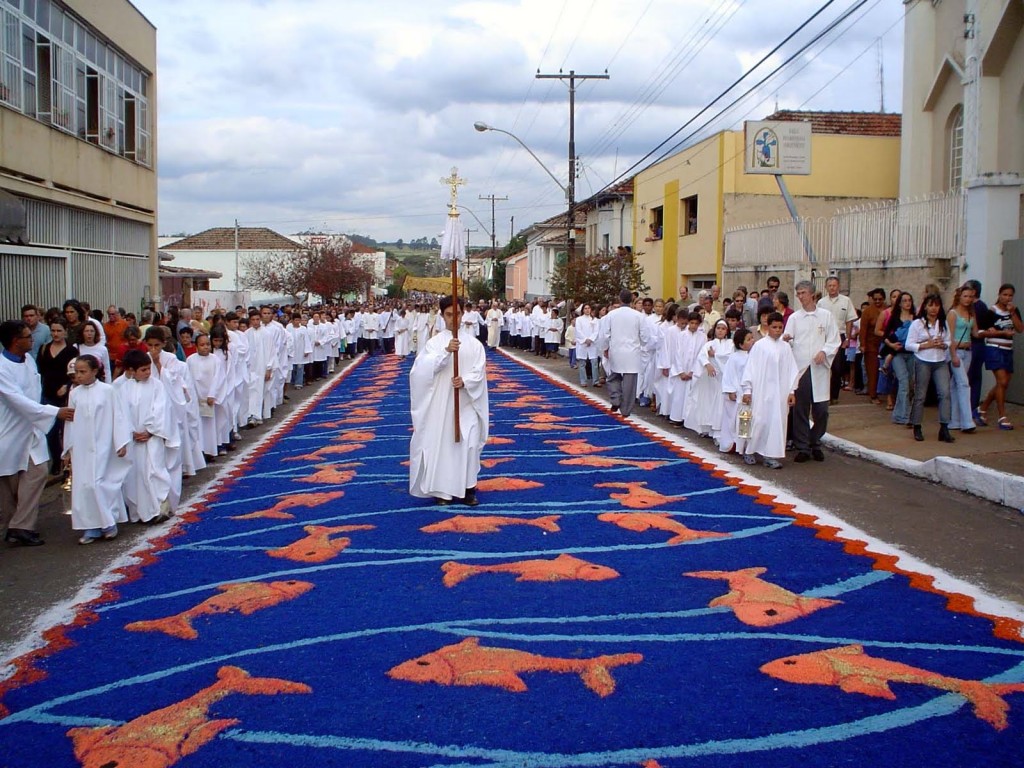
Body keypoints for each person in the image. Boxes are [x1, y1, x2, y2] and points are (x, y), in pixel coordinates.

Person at [408, 296, 489, 506]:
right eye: (449, 315)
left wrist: (466, 381)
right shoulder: (434, 344)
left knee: (468, 443)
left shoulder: (473, 344)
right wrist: (445, 354)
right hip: (442, 407)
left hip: (467, 403)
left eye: (458, 314)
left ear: (463, 314)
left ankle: (468, 488)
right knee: (444, 445)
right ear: (442, 316)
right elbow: (420, 372)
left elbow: (479, 371)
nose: (454, 319)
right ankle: (442, 490)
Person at [0, 321, 74, 545]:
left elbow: (35, 394)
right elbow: (18, 402)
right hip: (8, 431)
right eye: (27, 337)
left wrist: (47, 410)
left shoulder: (29, 360)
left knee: (37, 472)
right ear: (15, 341)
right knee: (8, 484)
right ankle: (14, 527)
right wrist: (55, 411)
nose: (32, 340)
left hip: (32, 429)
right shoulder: (2, 368)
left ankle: (20, 525)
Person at [62, 355, 130, 544]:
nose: (79, 375)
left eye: (83, 372)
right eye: (77, 372)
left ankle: (108, 523)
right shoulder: (74, 393)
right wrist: (68, 448)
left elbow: (119, 416)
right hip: (82, 447)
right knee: (84, 486)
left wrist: (121, 441)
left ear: (94, 371)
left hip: (104, 444)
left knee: (99, 483)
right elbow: (70, 421)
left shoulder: (108, 391)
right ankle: (90, 526)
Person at [783, 281, 840, 462]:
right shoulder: (794, 318)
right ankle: (803, 447)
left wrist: (825, 352)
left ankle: (815, 440)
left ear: (813, 294)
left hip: (819, 368)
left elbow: (834, 339)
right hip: (801, 368)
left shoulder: (826, 316)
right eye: (798, 293)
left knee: (821, 410)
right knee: (800, 408)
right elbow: (789, 341)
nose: (800, 296)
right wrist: (787, 340)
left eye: (803, 293)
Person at [120, 350, 177, 524]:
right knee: (135, 474)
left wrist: (150, 431)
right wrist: (130, 431)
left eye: (148, 368)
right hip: (133, 440)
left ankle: (160, 507)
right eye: (143, 370)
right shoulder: (123, 388)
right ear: (131, 370)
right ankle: (140, 511)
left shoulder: (157, 386)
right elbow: (121, 414)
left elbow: (161, 409)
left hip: (152, 438)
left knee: (154, 471)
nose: (147, 373)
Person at [741, 312, 799, 469]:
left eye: (780, 327)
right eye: (774, 327)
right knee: (759, 420)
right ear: (768, 327)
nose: (778, 330)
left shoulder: (786, 348)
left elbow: (792, 371)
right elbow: (750, 369)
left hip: (779, 394)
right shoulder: (760, 346)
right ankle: (750, 450)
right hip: (761, 392)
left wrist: (792, 391)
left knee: (776, 423)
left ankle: (770, 455)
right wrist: (747, 390)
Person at [905, 294, 954, 442]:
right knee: (920, 395)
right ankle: (917, 425)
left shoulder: (943, 323)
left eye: (937, 305)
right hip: (923, 360)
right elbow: (908, 344)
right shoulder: (917, 324)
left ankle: (944, 427)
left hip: (940, 360)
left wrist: (943, 344)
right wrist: (925, 345)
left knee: (945, 393)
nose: (934, 309)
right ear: (925, 306)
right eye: (931, 305)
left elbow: (949, 341)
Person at [598, 289, 652, 417]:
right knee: (630, 383)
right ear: (632, 300)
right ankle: (626, 409)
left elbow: (604, 335)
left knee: (613, 377)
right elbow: (645, 336)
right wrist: (643, 345)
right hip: (632, 352)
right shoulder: (639, 316)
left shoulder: (611, 315)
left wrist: (605, 348)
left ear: (620, 299)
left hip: (616, 350)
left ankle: (616, 398)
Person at [977, 283, 1022, 430]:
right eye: (1005, 295)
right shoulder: (992, 312)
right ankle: (1002, 417)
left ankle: (982, 409)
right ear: (999, 295)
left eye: (1010, 295)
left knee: (1002, 384)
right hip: (994, 348)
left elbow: (1020, 329)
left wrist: (1013, 313)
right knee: (1002, 381)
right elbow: (981, 332)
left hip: (1008, 349)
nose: (1007, 298)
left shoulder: (1013, 310)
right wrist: (1000, 333)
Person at [36, 319, 78, 474]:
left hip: (65, 395)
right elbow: (39, 371)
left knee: (66, 429)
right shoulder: (44, 349)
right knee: (51, 431)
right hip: (47, 393)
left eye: (59, 330)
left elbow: (75, 372)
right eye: (53, 331)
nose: (55, 334)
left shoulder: (71, 351)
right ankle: (57, 459)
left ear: (65, 331)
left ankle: (67, 461)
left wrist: (67, 385)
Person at [684, 319, 733, 439]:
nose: (720, 331)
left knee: (720, 404)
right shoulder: (709, 344)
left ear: (727, 331)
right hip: (710, 379)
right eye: (718, 328)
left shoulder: (731, 344)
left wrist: (715, 356)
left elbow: (729, 358)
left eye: (723, 329)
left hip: (723, 379)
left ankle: (718, 430)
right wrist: (708, 364)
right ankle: (706, 428)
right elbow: (702, 356)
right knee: (708, 402)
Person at [879, 292, 916, 426]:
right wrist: (892, 345)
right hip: (898, 353)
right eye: (905, 300)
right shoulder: (894, 318)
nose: (907, 303)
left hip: (911, 353)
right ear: (900, 303)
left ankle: (904, 413)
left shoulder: (916, 318)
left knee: (911, 384)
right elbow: (885, 336)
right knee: (903, 381)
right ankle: (902, 415)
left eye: (909, 300)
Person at [719, 327, 755, 464]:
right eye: (749, 339)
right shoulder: (734, 358)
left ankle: (746, 447)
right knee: (736, 422)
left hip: (749, 395)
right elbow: (728, 375)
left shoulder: (753, 357)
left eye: (752, 338)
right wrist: (730, 391)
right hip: (737, 395)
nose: (752, 341)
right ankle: (736, 445)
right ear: (740, 344)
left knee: (746, 421)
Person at [817, 277, 856, 403]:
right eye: (829, 285)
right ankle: (824, 395)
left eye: (834, 285)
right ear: (826, 287)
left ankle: (834, 396)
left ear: (838, 286)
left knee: (837, 367)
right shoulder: (821, 303)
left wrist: (848, 339)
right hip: (824, 337)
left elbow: (849, 320)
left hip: (840, 336)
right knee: (824, 367)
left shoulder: (846, 301)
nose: (832, 288)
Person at [947, 283, 978, 434]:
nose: (968, 299)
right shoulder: (953, 313)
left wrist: (994, 332)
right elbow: (950, 337)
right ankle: (967, 421)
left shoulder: (971, 314)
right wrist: (953, 355)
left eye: (971, 296)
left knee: (955, 384)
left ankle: (955, 420)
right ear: (959, 297)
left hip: (968, 351)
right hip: (957, 351)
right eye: (965, 296)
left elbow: (976, 333)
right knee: (964, 384)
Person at [860, 288, 887, 404]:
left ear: (884, 299)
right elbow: (863, 330)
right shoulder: (868, 312)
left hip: (886, 344)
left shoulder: (888, 310)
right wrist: (863, 345)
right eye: (875, 299)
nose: (877, 301)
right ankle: (873, 394)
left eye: (880, 299)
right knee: (872, 371)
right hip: (871, 345)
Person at [576, 304, 599, 386]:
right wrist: (585, 340)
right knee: (582, 363)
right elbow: (578, 331)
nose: (587, 310)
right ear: (583, 310)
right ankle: (583, 381)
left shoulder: (595, 320)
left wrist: (591, 339)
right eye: (585, 308)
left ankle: (595, 381)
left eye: (588, 308)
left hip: (592, 343)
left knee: (594, 362)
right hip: (583, 343)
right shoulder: (579, 320)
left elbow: (596, 331)